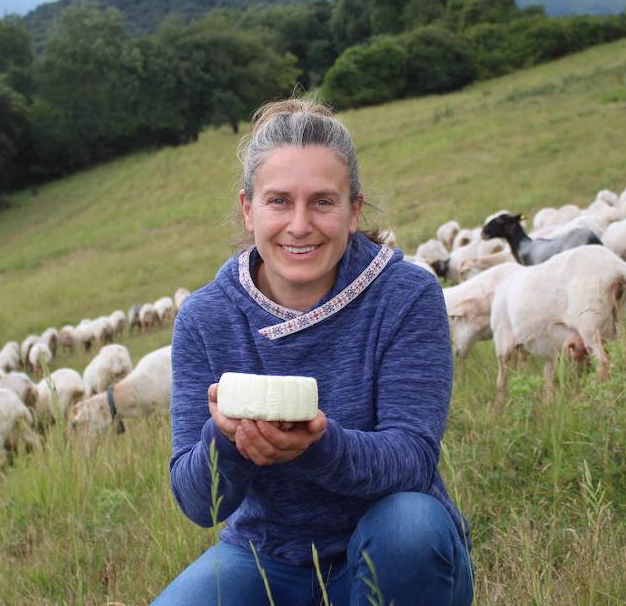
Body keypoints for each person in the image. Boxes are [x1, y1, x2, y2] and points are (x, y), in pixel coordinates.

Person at [153, 98, 473, 605]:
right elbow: (198, 503)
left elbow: (413, 460)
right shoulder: (206, 318)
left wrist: (318, 448)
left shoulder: (406, 295)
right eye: (278, 201)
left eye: (323, 201)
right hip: (267, 555)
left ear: (353, 210)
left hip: (386, 546)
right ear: (248, 208)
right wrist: (226, 441)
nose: (299, 225)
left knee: (411, 526)